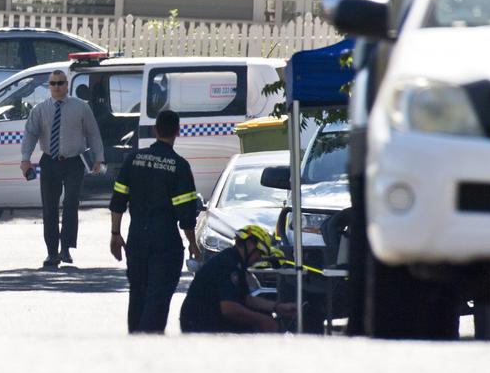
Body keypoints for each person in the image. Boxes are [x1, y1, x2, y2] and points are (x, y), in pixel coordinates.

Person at [108, 109, 201, 333]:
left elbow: (118, 200)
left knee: (137, 294)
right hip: (165, 242)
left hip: (137, 240)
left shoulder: (133, 159)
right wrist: (193, 244)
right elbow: (186, 216)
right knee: (158, 298)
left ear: (155, 130)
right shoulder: (179, 166)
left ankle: (136, 340)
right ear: (177, 131)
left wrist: (115, 234)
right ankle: (150, 345)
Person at [20, 69, 105, 268]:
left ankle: (66, 248)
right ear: (49, 86)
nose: (57, 87)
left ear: (67, 85)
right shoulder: (40, 109)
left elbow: (93, 133)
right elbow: (30, 134)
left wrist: (99, 158)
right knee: (49, 207)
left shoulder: (81, 107)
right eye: (53, 83)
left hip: (74, 161)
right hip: (50, 161)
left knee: (70, 203)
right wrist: (25, 159)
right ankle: (52, 253)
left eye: (60, 83)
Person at [180, 225, 295, 333]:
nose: (259, 259)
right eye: (259, 253)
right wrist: (263, 320)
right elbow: (229, 308)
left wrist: (276, 307)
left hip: (204, 320)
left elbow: (245, 299)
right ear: (250, 245)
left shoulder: (236, 262)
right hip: (200, 325)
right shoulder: (228, 265)